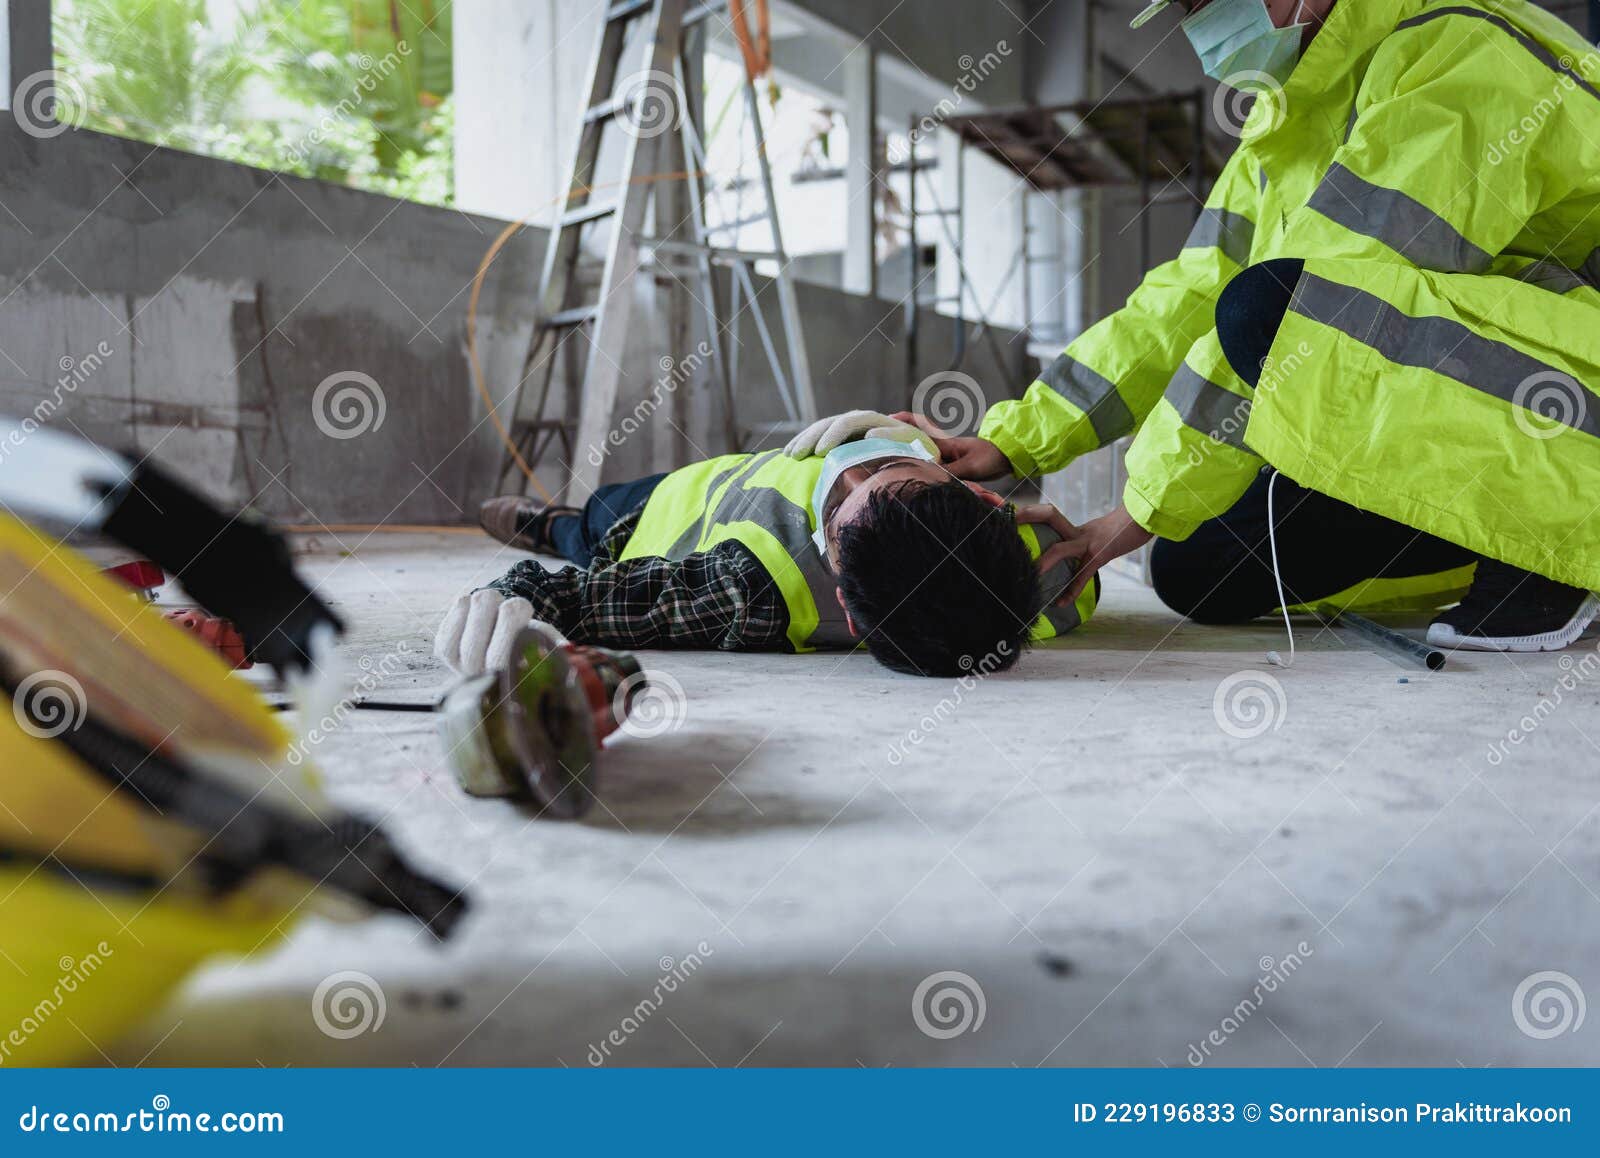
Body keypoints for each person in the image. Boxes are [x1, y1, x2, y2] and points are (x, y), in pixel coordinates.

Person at [920, 0, 1600, 652]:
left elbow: (1315, 301)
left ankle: (1562, 543)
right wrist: (1014, 443)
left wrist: (1133, 512)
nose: (1208, 26)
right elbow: (1191, 294)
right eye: (1190, 8)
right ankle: (1484, 533)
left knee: (1272, 312)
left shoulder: (1462, 51)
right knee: (1197, 567)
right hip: (1507, 376)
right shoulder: (1290, 113)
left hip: (1572, 376)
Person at [436, 413, 1098, 678]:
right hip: (725, 468)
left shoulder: (745, 593)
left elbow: (582, 600)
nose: (848, 468)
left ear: (839, 588)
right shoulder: (1032, 574)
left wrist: (507, 593)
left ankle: (544, 522)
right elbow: (1077, 590)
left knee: (581, 529)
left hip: (651, 516)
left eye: (841, 504)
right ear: (983, 497)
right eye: (888, 468)